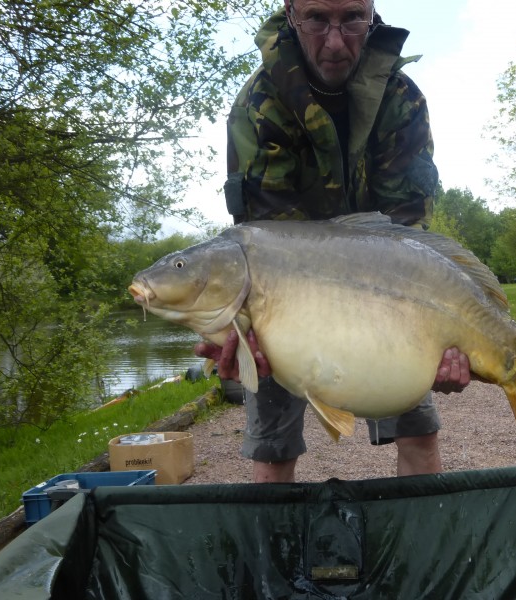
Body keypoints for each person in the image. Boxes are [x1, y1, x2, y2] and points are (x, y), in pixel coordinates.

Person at [196, 0, 471, 483]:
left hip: (386, 285)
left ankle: (419, 549)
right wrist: (239, 330)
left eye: (352, 20)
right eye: (319, 19)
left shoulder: (402, 99)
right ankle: (275, 551)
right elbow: (263, 241)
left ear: (372, 12)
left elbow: (406, 230)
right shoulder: (260, 104)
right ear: (291, 12)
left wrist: (440, 333)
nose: (336, 42)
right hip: (288, 294)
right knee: (273, 448)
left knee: (418, 431)